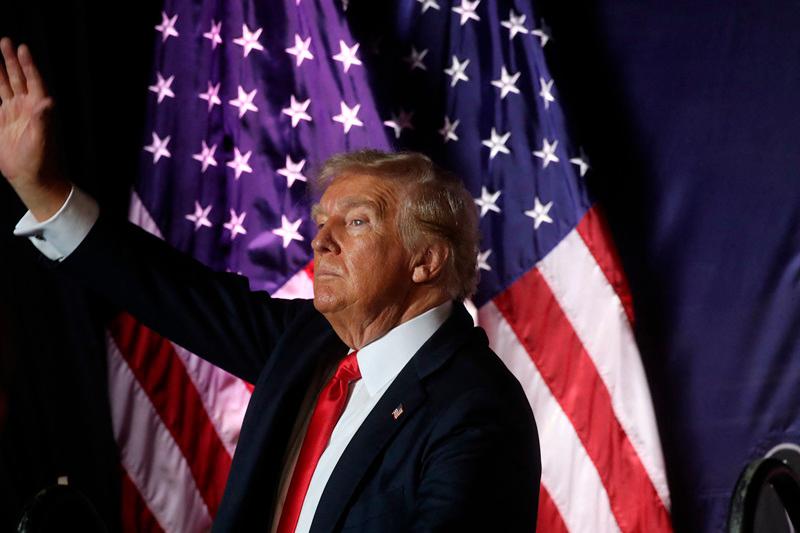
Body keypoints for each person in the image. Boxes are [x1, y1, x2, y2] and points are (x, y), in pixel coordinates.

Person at [0, 37, 541, 531]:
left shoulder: (477, 408)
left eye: (354, 223)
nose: (321, 243)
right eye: (321, 224)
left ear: (425, 260)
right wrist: (44, 190)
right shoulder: (307, 344)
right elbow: (171, 291)